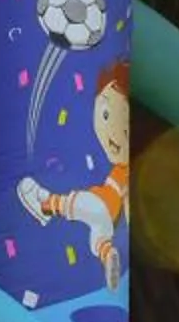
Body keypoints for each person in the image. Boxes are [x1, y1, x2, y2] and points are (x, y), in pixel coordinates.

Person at [15, 62, 130, 287]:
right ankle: (108, 256)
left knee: (80, 203)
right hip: (110, 219)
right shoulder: (125, 172)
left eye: (125, 129)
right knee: (98, 238)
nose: (115, 135)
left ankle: (46, 204)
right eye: (105, 114)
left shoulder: (122, 171)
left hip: (102, 204)